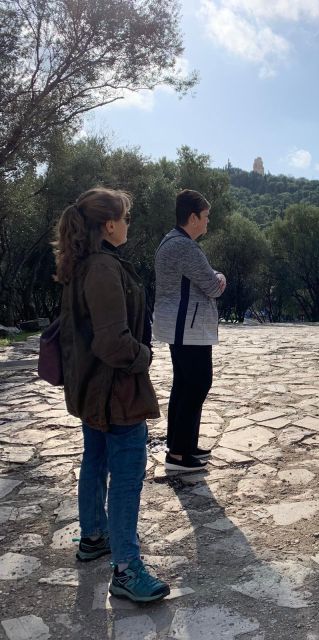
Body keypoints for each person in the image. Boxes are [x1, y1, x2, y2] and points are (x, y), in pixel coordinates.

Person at [54, 187, 170, 603]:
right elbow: (113, 343)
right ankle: (125, 569)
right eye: (125, 218)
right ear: (109, 224)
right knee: (125, 476)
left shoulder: (84, 264)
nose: (128, 225)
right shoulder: (102, 268)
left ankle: (94, 537)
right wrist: (145, 356)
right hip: (116, 391)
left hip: (94, 391)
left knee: (95, 460)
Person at [153, 189, 226, 472]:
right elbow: (211, 286)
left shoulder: (171, 242)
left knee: (184, 386)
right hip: (188, 327)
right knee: (197, 384)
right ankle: (179, 456)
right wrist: (220, 276)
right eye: (206, 216)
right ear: (193, 217)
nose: (208, 222)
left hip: (181, 326)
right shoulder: (184, 246)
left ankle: (182, 446)